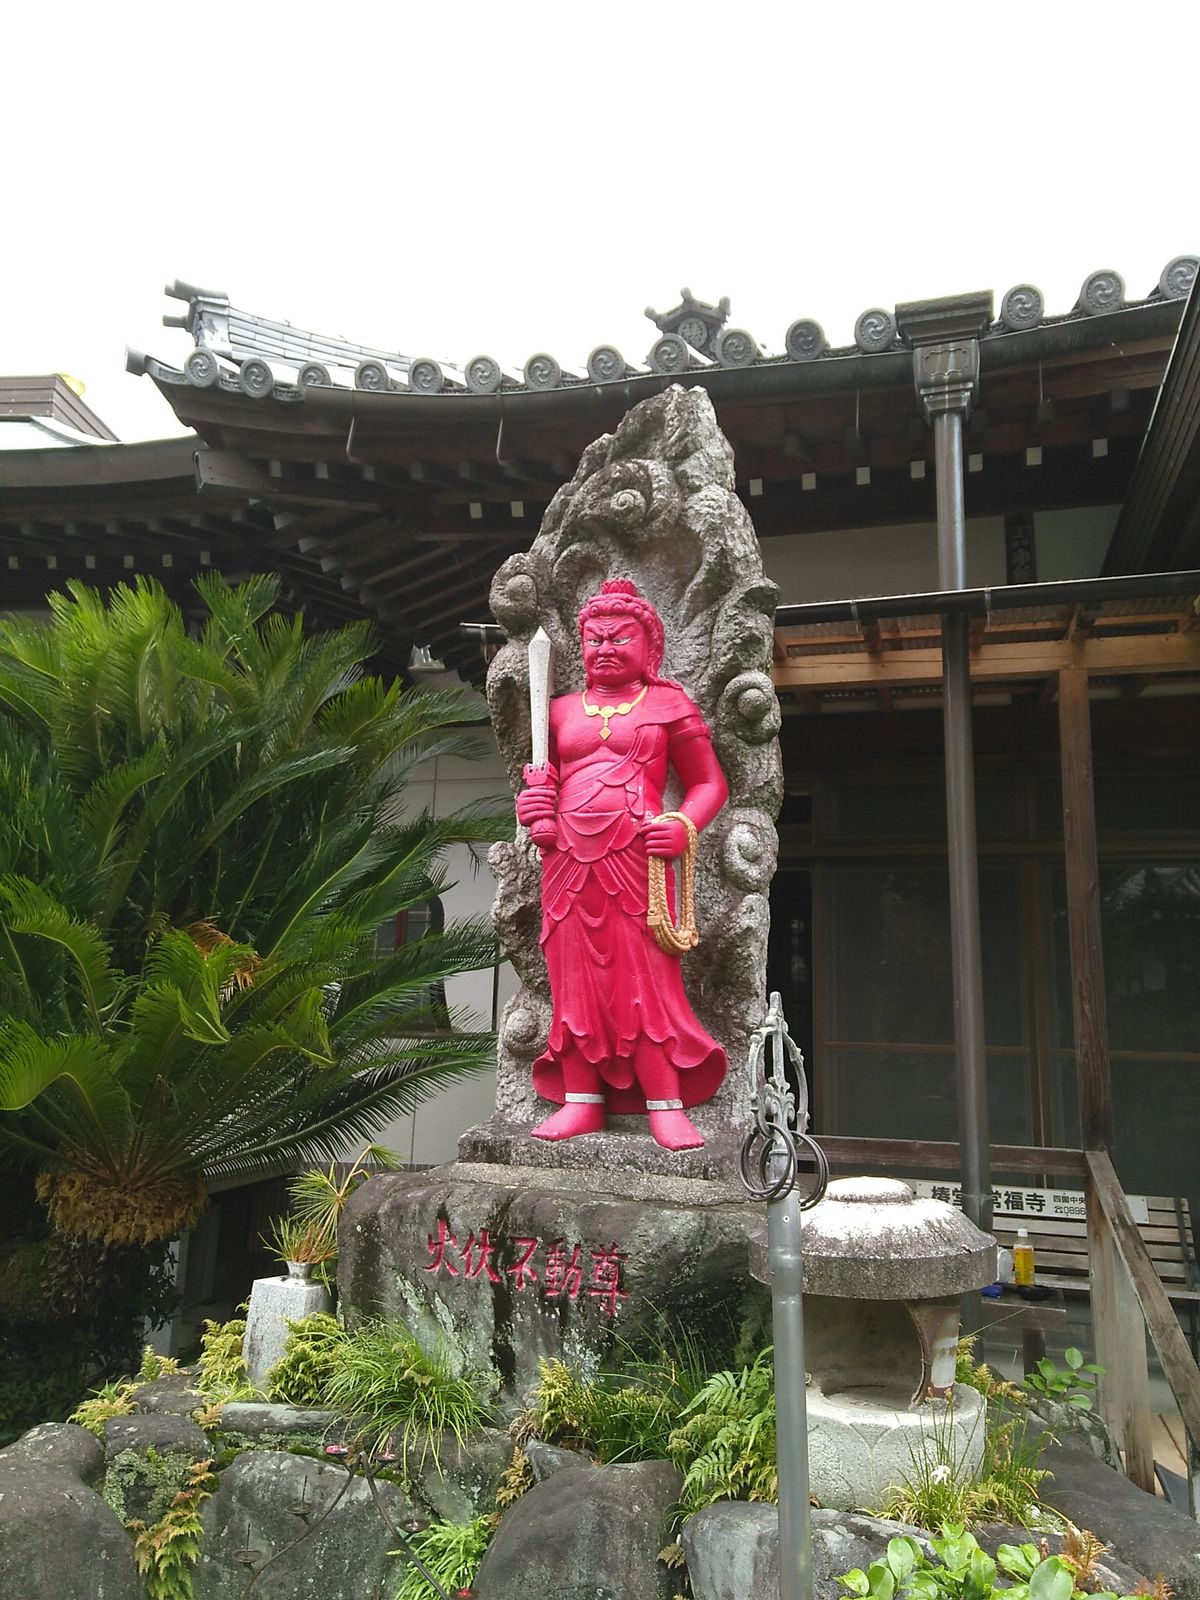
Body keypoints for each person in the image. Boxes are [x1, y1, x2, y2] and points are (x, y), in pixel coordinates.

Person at [515, 580, 729, 1150]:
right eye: (594, 639)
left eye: (619, 637)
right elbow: (541, 784)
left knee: (645, 981)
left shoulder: (669, 705)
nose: (605, 648)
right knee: (574, 983)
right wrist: (532, 806)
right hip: (566, 860)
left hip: (636, 855)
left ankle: (665, 1103)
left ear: (650, 646)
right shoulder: (558, 711)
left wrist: (683, 825)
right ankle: (582, 1101)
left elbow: (709, 783)